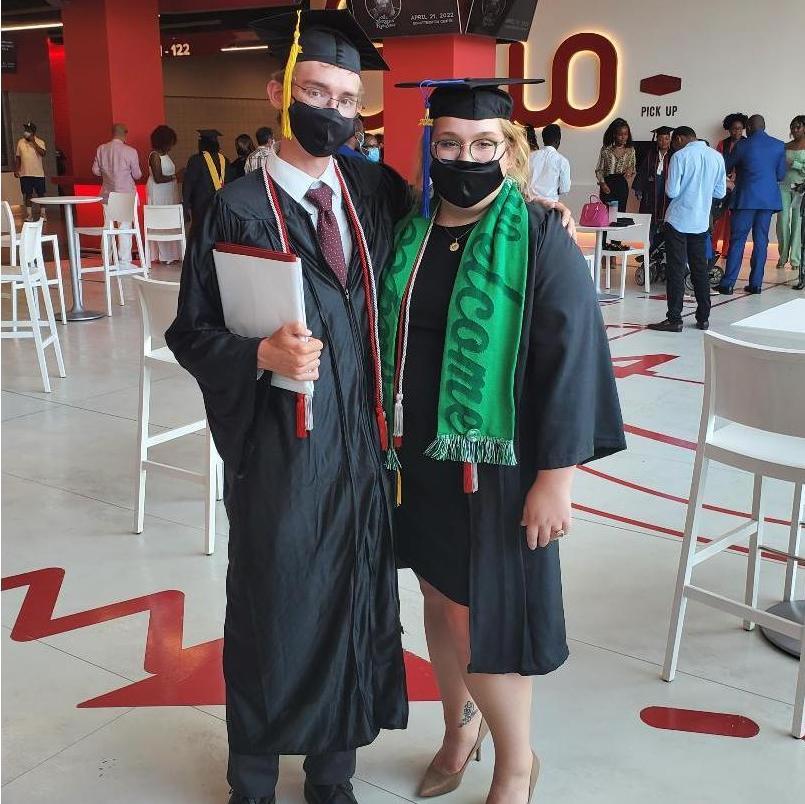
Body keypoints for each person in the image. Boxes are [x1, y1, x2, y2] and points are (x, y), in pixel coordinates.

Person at [165, 11, 410, 804]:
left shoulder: (373, 192)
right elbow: (190, 330)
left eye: (346, 98)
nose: (332, 110)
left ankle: (332, 773)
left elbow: (449, 240)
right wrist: (257, 357)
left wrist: (528, 222)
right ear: (280, 93)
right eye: (315, 92)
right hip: (283, 450)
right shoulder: (236, 205)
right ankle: (253, 781)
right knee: (274, 604)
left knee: (349, 598)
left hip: (364, 448)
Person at [382, 76, 625, 804]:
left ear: (508, 150)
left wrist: (558, 477)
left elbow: (572, 356)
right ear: (431, 146)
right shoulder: (413, 232)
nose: (465, 157)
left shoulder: (539, 237)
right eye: (450, 143)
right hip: (416, 457)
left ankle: (516, 761)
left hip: (498, 470)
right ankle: (460, 729)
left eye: (483, 144)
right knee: (435, 593)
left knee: (482, 615)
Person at [647, 126, 726, 332]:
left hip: (678, 221)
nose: (672, 145)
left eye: (673, 141)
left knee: (676, 269)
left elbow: (671, 191)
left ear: (680, 139)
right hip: (700, 222)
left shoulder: (679, 156)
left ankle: (674, 318)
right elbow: (719, 192)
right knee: (700, 270)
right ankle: (703, 318)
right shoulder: (716, 157)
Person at [719, 114, 787, 294]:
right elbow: (780, 175)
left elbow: (727, 165)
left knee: (738, 240)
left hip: (746, 199)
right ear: (764, 127)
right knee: (761, 241)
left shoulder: (742, 145)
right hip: (767, 201)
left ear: (748, 127)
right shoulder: (779, 145)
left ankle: (728, 283)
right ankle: (756, 283)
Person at [92, 122, 142, 266]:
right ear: (125, 134)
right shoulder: (131, 151)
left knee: (107, 226)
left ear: (112, 133)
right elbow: (137, 175)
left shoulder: (101, 149)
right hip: (125, 194)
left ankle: (106, 260)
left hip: (107, 194)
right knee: (124, 227)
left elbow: (95, 171)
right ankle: (124, 261)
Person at [712, 113, 748, 263]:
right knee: (719, 217)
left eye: (740, 129)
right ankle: (713, 247)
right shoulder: (722, 144)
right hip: (723, 183)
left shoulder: (748, 143)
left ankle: (727, 249)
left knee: (733, 218)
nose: (737, 132)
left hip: (741, 184)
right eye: (734, 129)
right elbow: (717, 163)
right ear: (729, 129)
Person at [595, 118, 636, 249]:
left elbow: (633, 167)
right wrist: (602, 184)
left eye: (626, 134)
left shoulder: (630, 150)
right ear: (614, 134)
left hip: (621, 185)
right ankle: (603, 247)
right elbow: (599, 169)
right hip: (608, 184)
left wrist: (630, 170)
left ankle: (615, 246)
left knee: (618, 217)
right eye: (620, 134)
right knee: (607, 217)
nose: (623, 137)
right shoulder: (606, 150)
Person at [182, 129, 229, 239]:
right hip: (220, 205)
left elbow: (188, 185)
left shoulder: (195, 160)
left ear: (202, 144)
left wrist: (185, 206)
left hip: (201, 207)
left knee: (200, 236)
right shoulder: (225, 160)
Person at [634, 125, 673, 250]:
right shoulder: (651, 154)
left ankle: (661, 250)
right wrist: (639, 190)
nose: (664, 142)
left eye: (667, 139)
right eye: (661, 139)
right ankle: (647, 250)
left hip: (666, 192)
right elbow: (643, 171)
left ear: (670, 139)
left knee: (665, 222)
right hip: (651, 192)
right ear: (657, 139)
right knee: (649, 223)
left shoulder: (674, 155)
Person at [146, 124, 181, 264]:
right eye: (170, 143)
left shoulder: (165, 155)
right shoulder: (154, 155)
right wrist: (176, 177)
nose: (171, 146)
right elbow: (158, 178)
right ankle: (164, 255)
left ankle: (172, 254)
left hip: (169, 192)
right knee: (161, 219)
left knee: (170, 219)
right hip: (159, 192)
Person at [777, 115, 805, 270]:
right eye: (792, 127)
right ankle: (782, 257)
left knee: (797, 222)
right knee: (782, 221)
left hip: (800, 186)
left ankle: (795, 259)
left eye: (798, 127)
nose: (794, 130)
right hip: (783, 186)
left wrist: (793, 163)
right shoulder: (785, 146)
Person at [526, 123, 570, 202]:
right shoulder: (562, 161)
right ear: (558, 141)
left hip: (530, 205)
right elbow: (565, 189)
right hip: (550, 206)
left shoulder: (530, 156)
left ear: (543, 140)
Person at [14, 122, 47, 221]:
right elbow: (18, 157)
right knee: (27, 194)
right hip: (25, 173)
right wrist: (17, 169)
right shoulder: (20, 142)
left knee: (41, 194)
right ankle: (29, 215)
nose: (26, 132)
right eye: (25, 130)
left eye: (28, 130)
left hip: (38, 174)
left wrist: (33, 142)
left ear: (33, 132)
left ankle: (43, 214)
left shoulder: (40, 142)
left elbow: (43, 153)